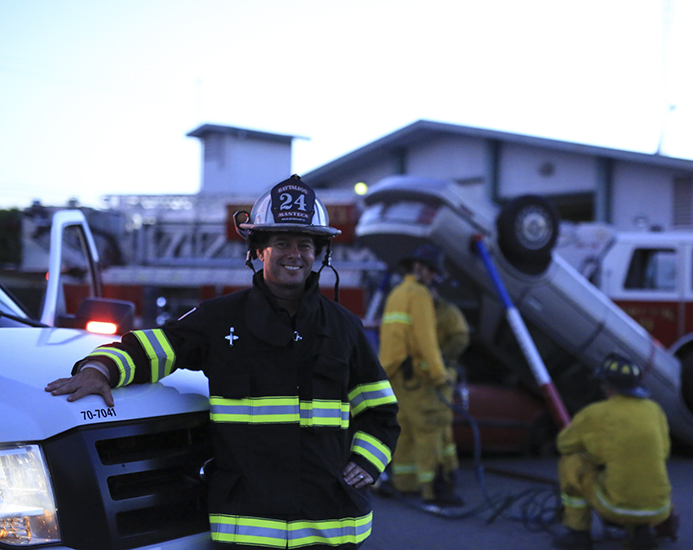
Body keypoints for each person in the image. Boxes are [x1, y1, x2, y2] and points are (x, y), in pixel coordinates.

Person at [46, 174, 400, 550]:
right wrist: (99, 369)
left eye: (304, 244)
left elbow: (381, 412)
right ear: (259, 250)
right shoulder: (220, 320)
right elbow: (154, 347)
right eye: (281, 242)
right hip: (248, 528)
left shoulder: (344, 327)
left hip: (331, 526)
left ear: (319, 253)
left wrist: (366, 463)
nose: (294, 254)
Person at [555, 354, 673, 550]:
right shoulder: (655, 410)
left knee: (572, 462)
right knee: (643, 466)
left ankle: (578, 533)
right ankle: (641, 531)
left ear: (608, 386)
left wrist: (594, 453)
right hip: (660, 509)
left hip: (616, 507)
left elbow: (564, 444)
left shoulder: (596, 412)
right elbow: (664, 451)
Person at [378, 244, 463, 506]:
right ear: (419, 268)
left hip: (395, 377)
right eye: (433, 272)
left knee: (404, 432)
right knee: (430, 431)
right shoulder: (419, 294)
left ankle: (405, 484)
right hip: (419, 379)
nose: (434, 278)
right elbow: (425, 339)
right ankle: (433, 490)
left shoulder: (397, 293)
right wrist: (439, 375)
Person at [432, 286, 470, 485]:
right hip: (424, 376)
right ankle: (444, 472)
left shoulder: (448, 312)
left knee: (440, 425)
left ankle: (447, 472)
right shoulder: (419, 309)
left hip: (443, 373)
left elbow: (461, 338)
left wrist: (441, 357)